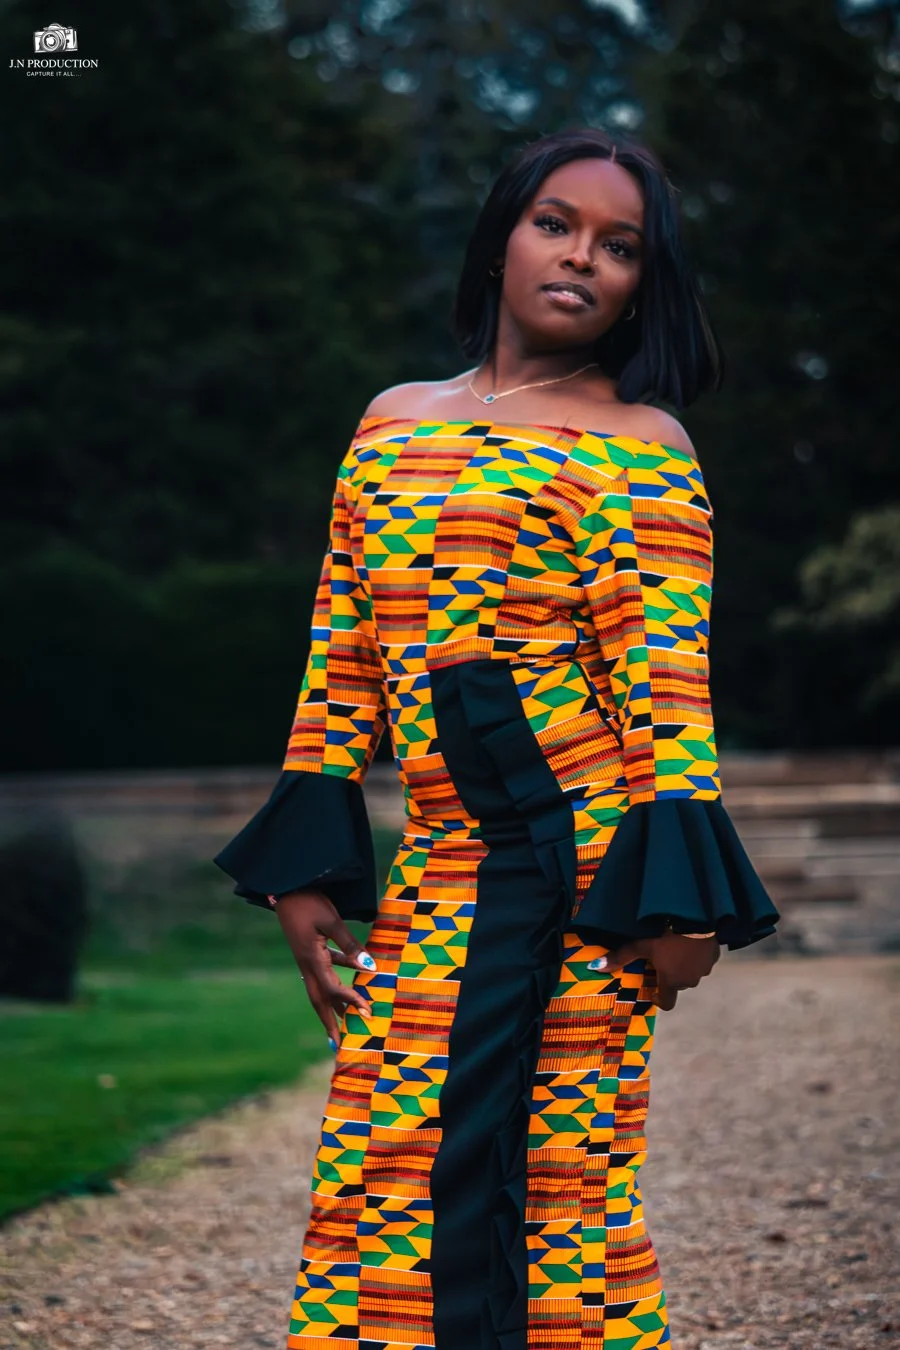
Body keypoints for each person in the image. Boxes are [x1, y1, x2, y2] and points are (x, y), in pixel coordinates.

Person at [215, 125, 780, 1350]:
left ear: (645, 281)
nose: (581, 257)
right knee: (384, 1158)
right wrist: (306, 878)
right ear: (500, 239)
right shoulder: (390, 424)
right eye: (555, 223)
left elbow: (664, 687)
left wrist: (677, 902)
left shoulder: (646, 446)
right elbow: (344, 659)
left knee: (552, 1180)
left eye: (618, 245)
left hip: (569, 862)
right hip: (435, 869)